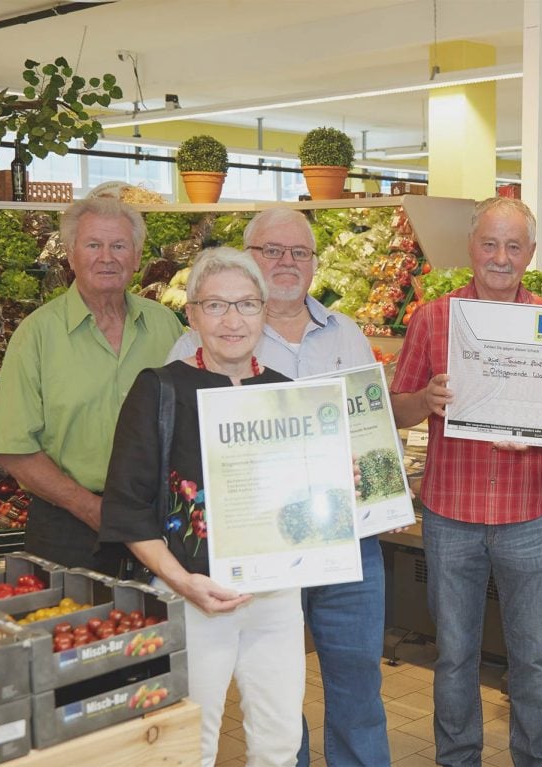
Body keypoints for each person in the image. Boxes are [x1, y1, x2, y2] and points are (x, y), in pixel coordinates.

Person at [166, 208, 387, 766]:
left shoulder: (349, 333)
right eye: (272, 251)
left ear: (313, 263)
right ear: (250, 258)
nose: (287, 262)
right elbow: (179, 462)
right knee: (278, 698)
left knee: (356, 681)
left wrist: (378, 494)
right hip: (256, 550)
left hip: (344, 542)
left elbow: (367, 426)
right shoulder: (194, 350)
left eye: (300, 253)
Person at [101, 247, 303, 767]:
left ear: (264, 312)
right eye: (215, 306)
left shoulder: (285, 392)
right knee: (191, 742)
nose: (233, 321)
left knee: (279, 740)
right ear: (191, 315)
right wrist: (182, 582)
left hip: (276, 598)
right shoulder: (159, 389)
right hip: (192, 594)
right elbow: (126, 508)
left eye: (246, 305)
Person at [390, 197, 542, 767]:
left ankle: (535, 759)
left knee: (533, 659)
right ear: (471, 247)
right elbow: (396, 410)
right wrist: (425, 399)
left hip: (530, 512)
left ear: (531, 254)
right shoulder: (433, 318)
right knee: (456, 654)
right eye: (490, 243)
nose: (500, 257)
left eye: (514, 246)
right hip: (451, 513)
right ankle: (457, 758)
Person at [0, 196, 183, 574]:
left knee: (162, 630)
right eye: (93, 245)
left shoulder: (166, 326)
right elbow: (12, 448)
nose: (107, 256)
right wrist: (89, 507)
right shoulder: (37, 335)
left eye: (119, 245)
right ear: (71, 256)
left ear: (137, 257)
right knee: (72, 627)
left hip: (158, 520)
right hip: (68, 527)